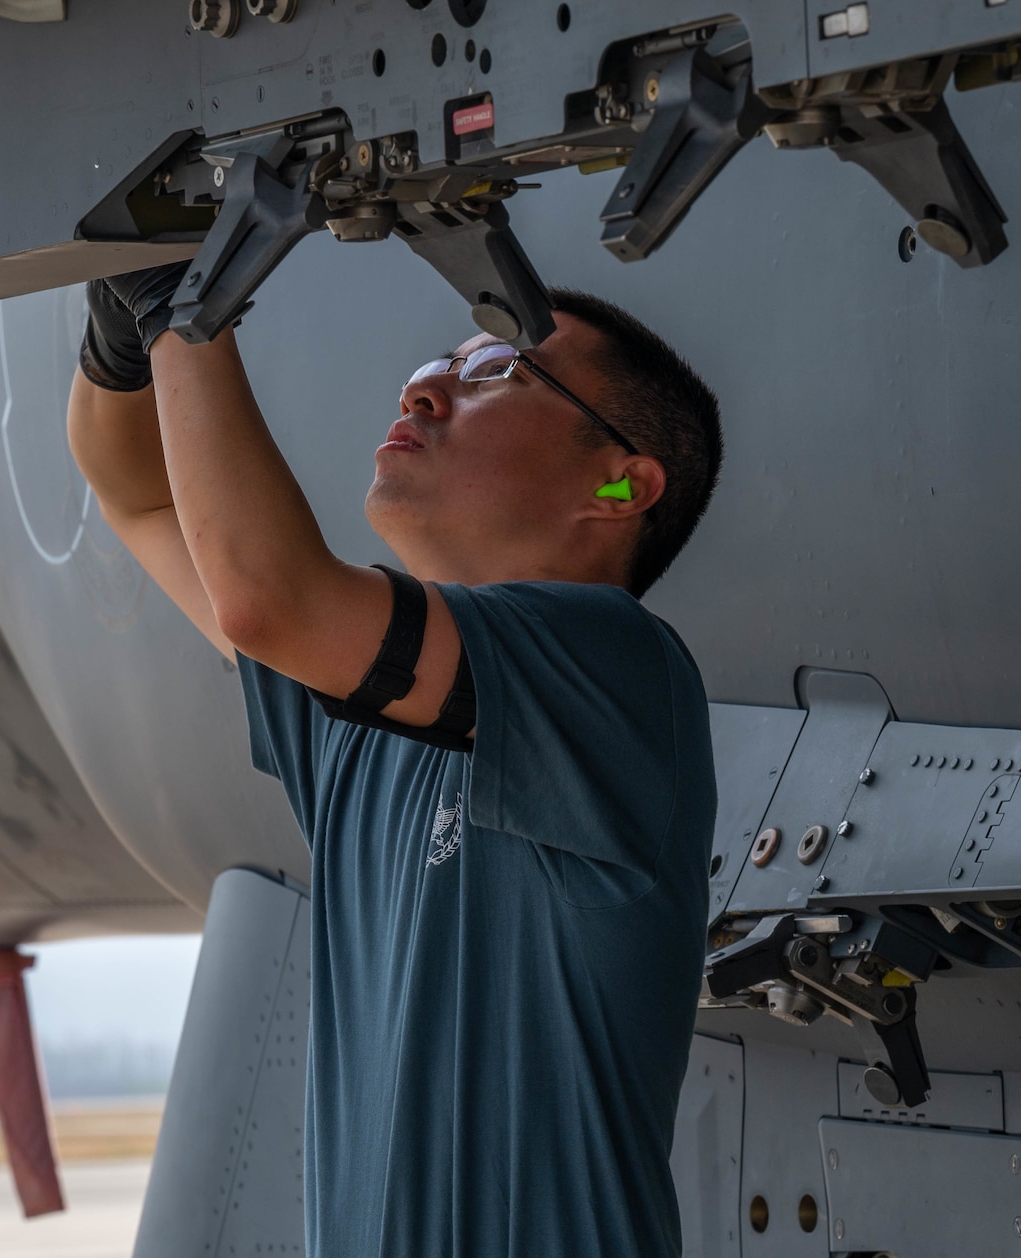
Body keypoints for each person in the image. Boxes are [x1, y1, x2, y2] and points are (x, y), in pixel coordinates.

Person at [67, 264, 723, 1258]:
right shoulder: (352, 715)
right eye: (435, 366)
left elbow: (263, 597)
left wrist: (185, 306)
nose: (424, 391)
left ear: (620, 483)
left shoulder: (614, 664)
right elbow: (141, 498)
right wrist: (119, 341)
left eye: (501, 370)